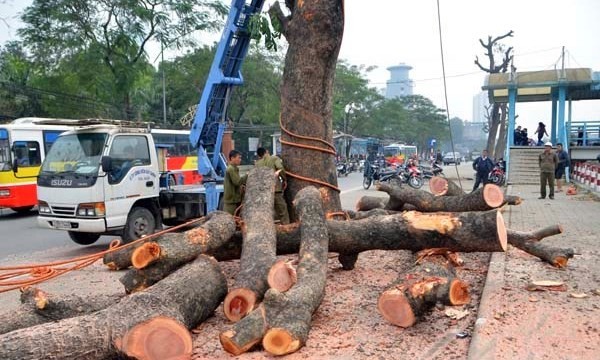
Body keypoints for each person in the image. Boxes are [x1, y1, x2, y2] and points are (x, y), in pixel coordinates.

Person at [255, 147, 290, 224]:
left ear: (259, 155)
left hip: (264, 191)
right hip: (275, 189)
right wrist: (284, 179)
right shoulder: (274, 159)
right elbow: (280, 168)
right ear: (266, 152)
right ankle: (286, 226)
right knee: (282, 210)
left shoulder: (257, 163)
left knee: (266, 211)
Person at [223, 150, 247, 215]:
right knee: (229, 219)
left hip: (235, 200)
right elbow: (237, 182)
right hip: (231, 201)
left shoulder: (235, 168)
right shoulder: (230, 169)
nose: (240, 160)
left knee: (236, 220)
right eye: (238, 158)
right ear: (232, 158)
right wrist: (247, 175)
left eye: (240, 158)